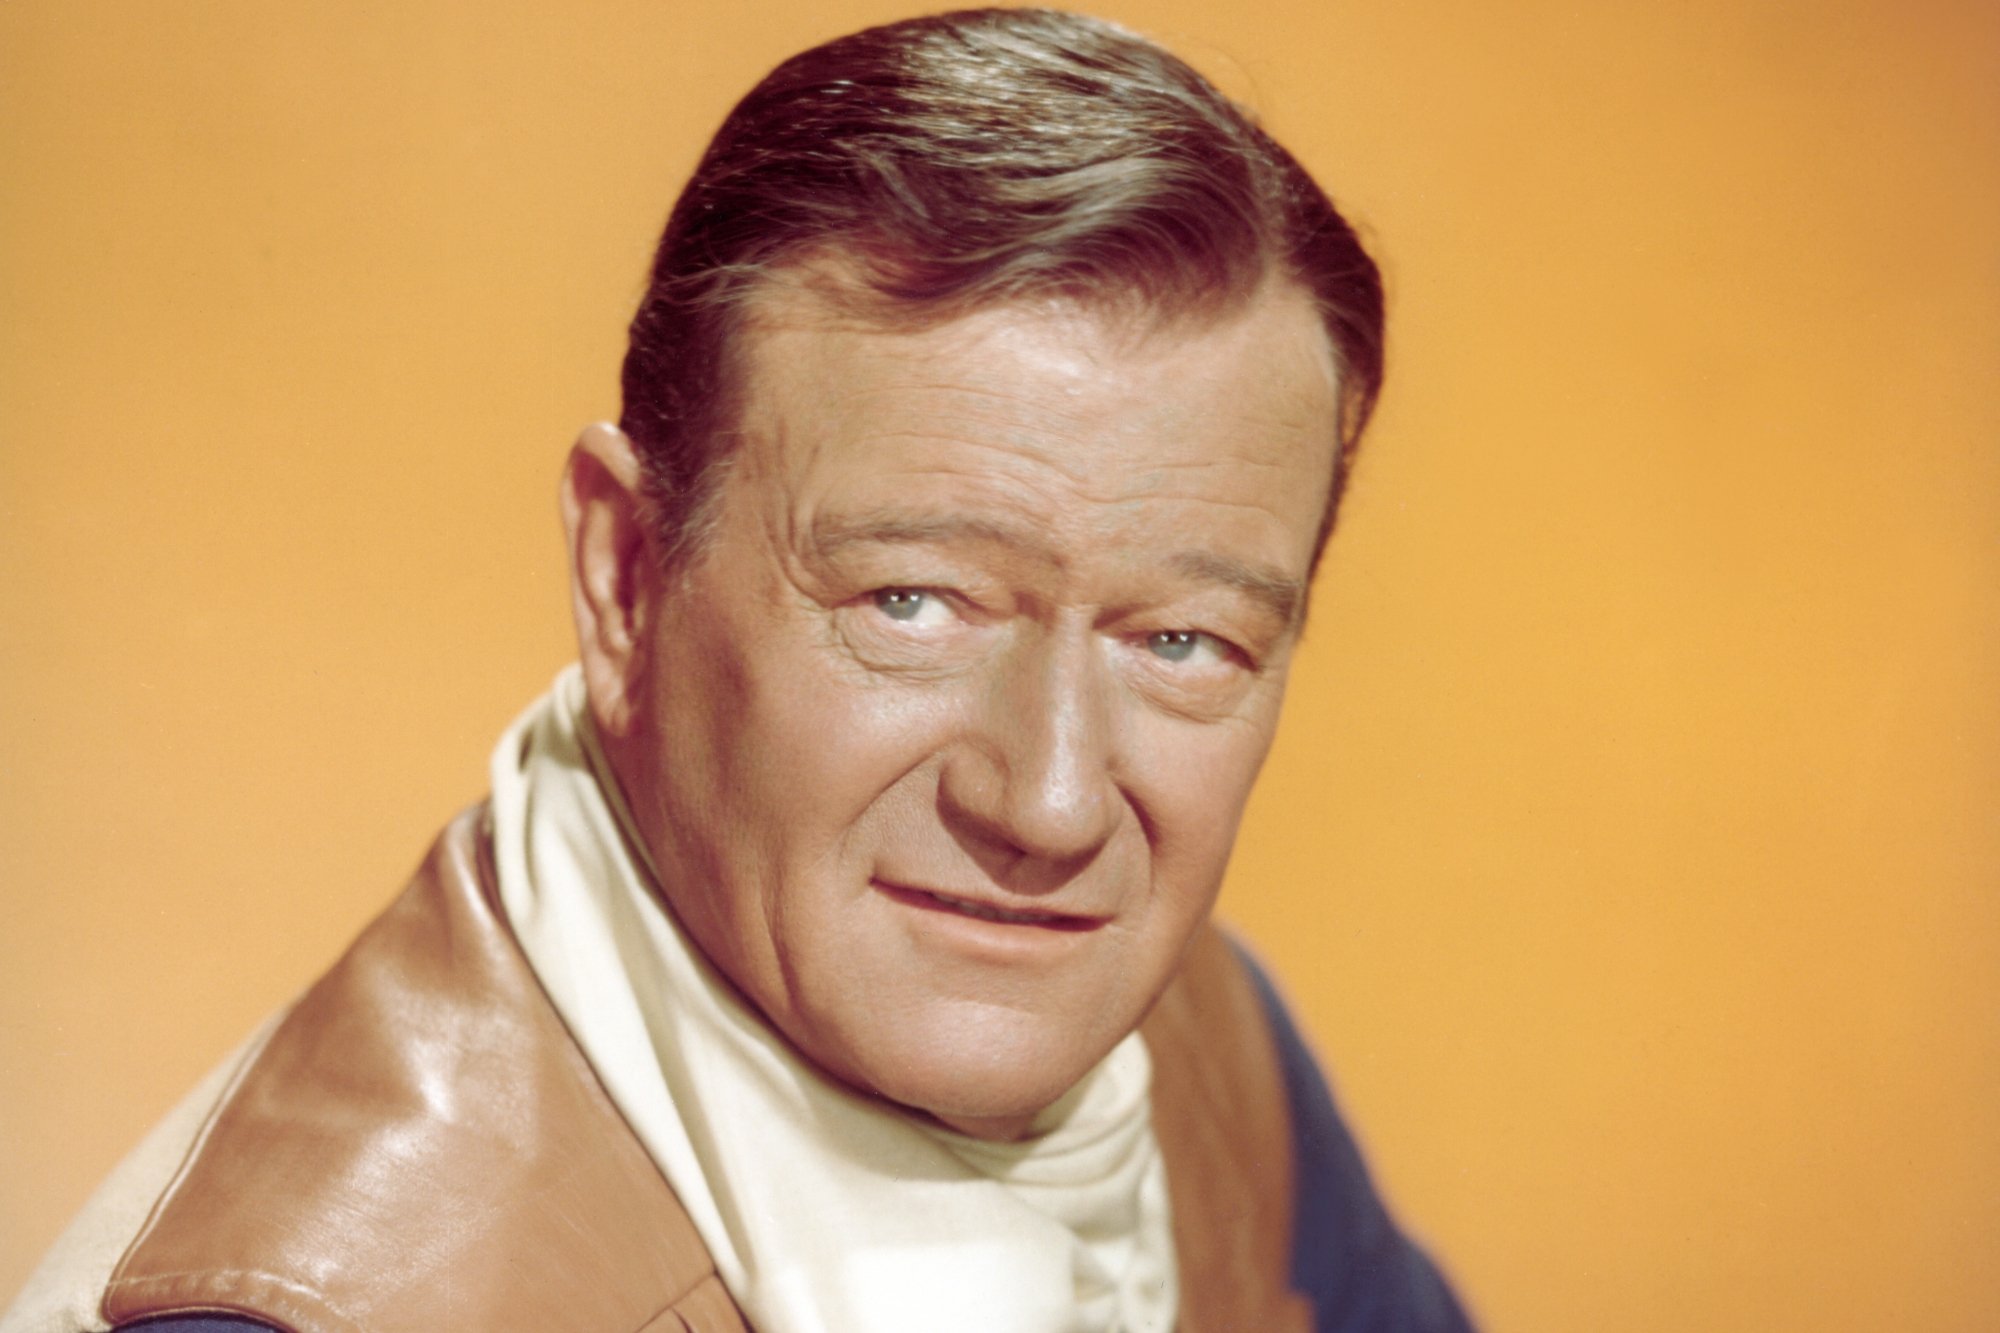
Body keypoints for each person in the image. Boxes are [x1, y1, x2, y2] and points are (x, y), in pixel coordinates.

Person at [4, 9, 1474, 1332]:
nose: (1048, 802)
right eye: (914, 599)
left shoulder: (1215, 1051)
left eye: (1181, 640)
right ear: (628, 580)